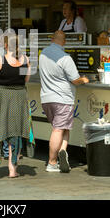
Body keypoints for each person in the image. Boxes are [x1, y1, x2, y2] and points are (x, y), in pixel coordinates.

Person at [0, 33, 35, 178]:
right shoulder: (26, 60)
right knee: (15, 134)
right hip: (19, 98)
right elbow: (26, 79)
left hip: (0, 97)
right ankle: (12, 170)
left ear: (5, 45)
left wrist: (3, 86)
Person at [39, 30, 89, 173]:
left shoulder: (43, 54)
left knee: (63, 127)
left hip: (46, 99)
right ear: (64, 41)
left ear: (52, 39)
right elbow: (75, 80)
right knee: (58, 129)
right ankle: (52, 163)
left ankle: (62, 151)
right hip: (62, 100)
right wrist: (83, 79)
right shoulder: (65, 58)